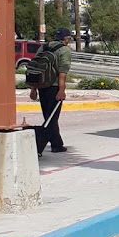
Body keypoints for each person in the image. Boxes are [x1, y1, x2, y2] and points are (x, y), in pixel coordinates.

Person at [29, 27, 74, 155]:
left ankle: (56, 144)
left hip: (41, 85)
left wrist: (33, 89)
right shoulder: (64, 50)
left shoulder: (43, 47)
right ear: (66, 39)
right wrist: (61, 90)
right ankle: (38, 145)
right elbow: (62, 73)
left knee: (49, 117)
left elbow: (35, 69)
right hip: (54, 87)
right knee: (51, 119)